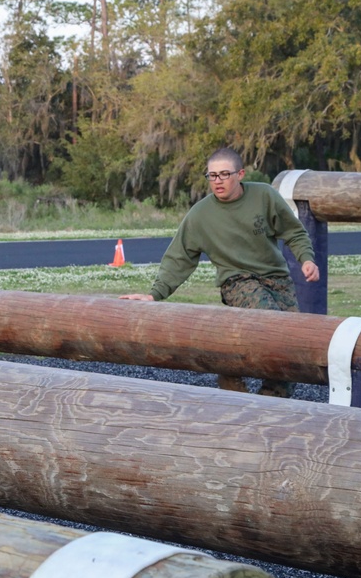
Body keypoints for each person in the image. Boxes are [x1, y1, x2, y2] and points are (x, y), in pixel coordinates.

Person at [120, 147, 320, 397]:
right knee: (271, 326)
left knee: (291, 347)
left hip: (277, 280)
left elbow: (294, 231)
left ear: (240, 174)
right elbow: (178, 258)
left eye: (224, 174)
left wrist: (306, 260)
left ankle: (263, 398)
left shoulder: (264, 196)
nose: (218, 181)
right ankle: (231, 376)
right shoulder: (200, 215)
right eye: (212, 176)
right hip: (237, 281)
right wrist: (154, 294)